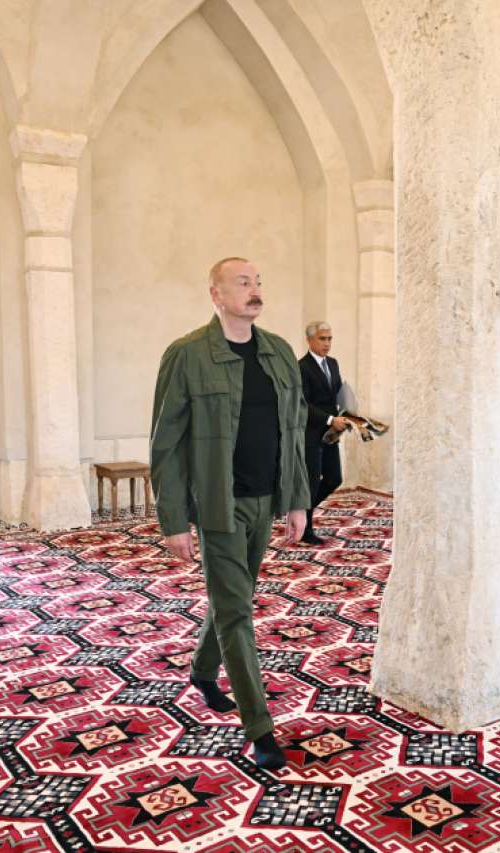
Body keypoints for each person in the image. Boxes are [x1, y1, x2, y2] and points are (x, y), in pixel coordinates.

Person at [150, 257, 309, 770]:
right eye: (243, 282)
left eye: (258, 282)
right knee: (238, 611)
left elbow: (295, 432)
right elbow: (166, 443)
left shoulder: (279, 353)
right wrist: (174, 519)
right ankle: (260, 728)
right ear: (215, 294)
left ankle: (202, 670)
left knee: (232, 596)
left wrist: (297, 500)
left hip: (266, 500)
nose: (254, 289)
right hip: (218, 504)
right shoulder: (188, 354)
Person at [297, 321, 347, 545]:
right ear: (309, 340)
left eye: (329, 339)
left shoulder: (333, 364)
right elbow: (302, 404)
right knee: (312, 482)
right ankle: (305, 530)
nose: (327, 343)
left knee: (334, 478)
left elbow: (337, 395)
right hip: (311, 434)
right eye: (322, 339)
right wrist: (329, 419)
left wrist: (349, 415)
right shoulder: (302, 367)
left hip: (331, 434)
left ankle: (299, 513)